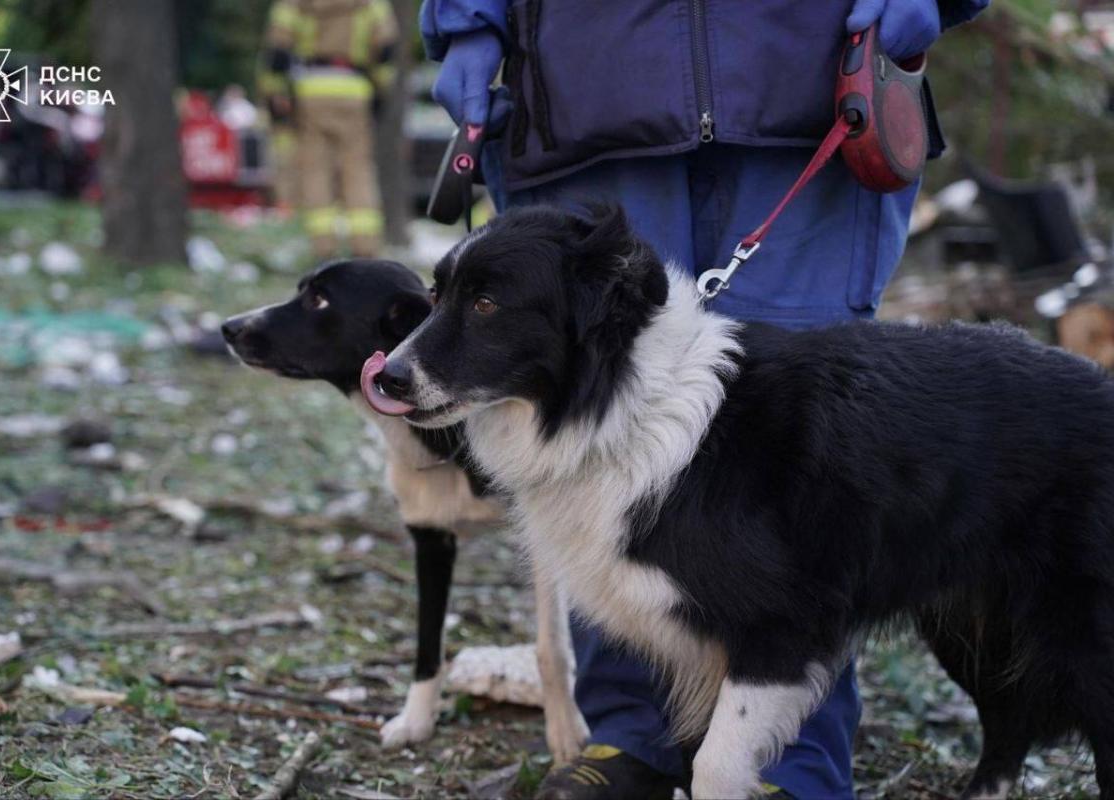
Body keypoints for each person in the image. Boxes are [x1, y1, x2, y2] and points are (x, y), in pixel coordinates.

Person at [420, 1, 989, 798]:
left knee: (805, 466)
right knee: (586, 442)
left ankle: (787, 767)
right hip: (586, 98)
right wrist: (467, 18)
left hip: (813, 98)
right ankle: (632, 740)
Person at [261, 0, 397, 258]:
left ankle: (323, 247)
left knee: (314, 171)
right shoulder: (371, 4)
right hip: (355, 89)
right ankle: (365, 246)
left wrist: (274, 91)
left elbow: (278, 49)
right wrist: (380, 89)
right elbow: (386, 46)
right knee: (357, 170)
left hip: (310, 91)